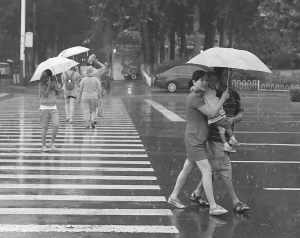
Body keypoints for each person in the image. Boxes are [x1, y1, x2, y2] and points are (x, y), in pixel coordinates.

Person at [168, 70, 229, 216]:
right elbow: (212, 113)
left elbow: (210, 92)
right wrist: (223, 99)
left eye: (206, 80)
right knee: (207, 171)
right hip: (194, 139)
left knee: (187, 169)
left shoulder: (198, 93)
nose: (205, 82)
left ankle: (173, 197)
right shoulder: (194, 97)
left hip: (198, 138)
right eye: (201, 80)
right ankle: (213, 206)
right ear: (194, 81)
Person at [190, 67, 250, 213]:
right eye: (225, 74)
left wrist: (233, 119)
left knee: (214, 168)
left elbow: (240, 114)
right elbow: (195, 92)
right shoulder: (211, 93)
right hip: (215, 138)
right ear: (217, 77)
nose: (229, 77)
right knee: (224, 168)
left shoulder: (234, 94)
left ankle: (197, 193)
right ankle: (236, 202)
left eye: (230, 74)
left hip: (228, 138)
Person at [203, 71, 240, 153]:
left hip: (216, 115)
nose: (213, 83)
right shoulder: (205, 89)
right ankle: (232, 139)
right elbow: (197, 89)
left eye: (215, 82)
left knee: (222, 130)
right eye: (210, 81)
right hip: (215, 115)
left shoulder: (214, 90)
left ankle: (226, 145)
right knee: (227, 124)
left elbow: (240, 114)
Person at [38, 69, 61, 152]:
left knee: (56, 125)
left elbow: (59, 95)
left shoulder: (54, 84)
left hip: (53, 107)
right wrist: (48, 85)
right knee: (44, 128)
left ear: (49, 77)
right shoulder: (40, 84)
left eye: (45, 76)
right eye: (42, 76)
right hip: (44, 108)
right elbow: (45, 94)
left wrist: (57, 88)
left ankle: (51, 143)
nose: (43, 78)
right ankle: (44, 145)